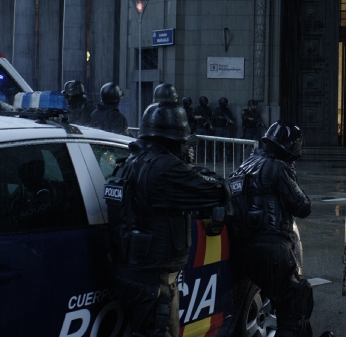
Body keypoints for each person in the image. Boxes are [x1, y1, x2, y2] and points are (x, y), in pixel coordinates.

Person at [106, 103, 230, 337]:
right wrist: (189, 166)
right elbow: (218, 191)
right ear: (175, 139)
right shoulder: (165, 168)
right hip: (153, 281)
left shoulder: (128, 163)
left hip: (133, 273)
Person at [228, 120, 322, 337]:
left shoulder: (243, 168)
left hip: (243, 249)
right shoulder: (278, 167)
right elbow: (302, 206)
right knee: (294, 304)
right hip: (272, 247)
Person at [212, 97, 235, 162]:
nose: (225, 104)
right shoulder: (216, 110)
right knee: (217, 144)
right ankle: (216, 158)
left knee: (228, 144)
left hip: (225, 128)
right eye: (224, 103)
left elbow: (231, 119)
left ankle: (229, 158)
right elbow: (213, 118)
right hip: (218, 128)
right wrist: (220, 117)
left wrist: (228, 120)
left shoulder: (227, 110)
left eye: (226, 103)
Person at [193, 96, 214, 160]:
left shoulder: (209, 109)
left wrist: (210, 124)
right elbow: (193, 117)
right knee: (197, 144)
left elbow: (211, 118)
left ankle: (207, 157)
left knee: (207, 144)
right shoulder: (197, 108)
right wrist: (201, 117)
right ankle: (196, 157)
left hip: (206, 128)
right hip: (199, 127)